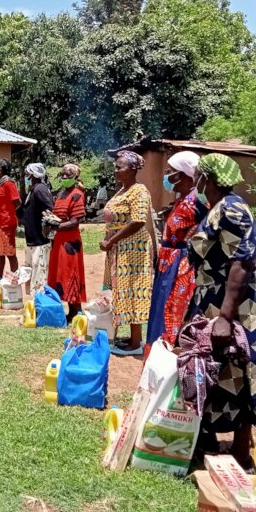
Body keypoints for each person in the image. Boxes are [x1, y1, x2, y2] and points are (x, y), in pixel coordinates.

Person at [187, 153, 256, 466]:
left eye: (198, 176)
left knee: (240, 365)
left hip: (239, 302)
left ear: (208, 179)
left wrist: (225, 317)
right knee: (224, 369)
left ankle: (241, 449)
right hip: (217, 297)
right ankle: (216, 441)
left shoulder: (231, 207)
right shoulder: (219, 208)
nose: (195, 182)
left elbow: (242, 261)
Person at [145, 151, 203, 355]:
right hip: (169, 262)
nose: (166, 177)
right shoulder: (183, 199)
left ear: (184, 175)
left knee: (172, 310)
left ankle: (167, 357)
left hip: (181, 265)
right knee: (162, 307)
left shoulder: (197, 202)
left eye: (170, 172)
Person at [101, 150, 155, 357]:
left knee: (133, 289)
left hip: (133, 249)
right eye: (115, 166)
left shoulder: (139, 191)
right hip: (119, 248)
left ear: (133, 169)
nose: (115, 170)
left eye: (119, 167)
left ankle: (136, 343)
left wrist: (112, 239)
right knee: (122, 290)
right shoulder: (122, 191)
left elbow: (138, 220)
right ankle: (129, 337)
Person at [46, 163, 87, 324]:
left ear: (75, 177)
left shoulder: (77, 195)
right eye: (62, 175)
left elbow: (75, 221)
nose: (64, 178)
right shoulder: (61, 194)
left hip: (70, 242)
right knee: (61, 273)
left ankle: (76, 310)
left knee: (71, 273)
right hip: (59, 240)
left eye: (68, 175)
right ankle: (70, 310)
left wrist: (57, 226)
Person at [22, 162, 54, 295]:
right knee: (32, 268)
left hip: (39, 239)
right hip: (32, 238)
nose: (26, 176)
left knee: (39, 270)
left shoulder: (40, 189)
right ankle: (34, 298)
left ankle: (40, 298)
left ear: (33, 175)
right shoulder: (34, 189)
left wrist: (47, 226)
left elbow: (50, 208)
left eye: (27, 174)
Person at [0, 158, 21, 277]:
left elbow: (17, 202)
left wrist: (7, 213)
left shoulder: (8, 184)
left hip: (7, 225)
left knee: (10, 253)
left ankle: (14, 280)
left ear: (0, 170)